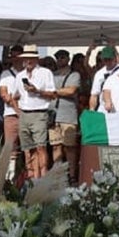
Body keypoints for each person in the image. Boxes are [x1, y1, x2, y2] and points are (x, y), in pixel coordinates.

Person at [14, 45, 57, 180]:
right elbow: (14, 96)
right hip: (24, 114)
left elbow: (53, 94)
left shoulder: (45, 73)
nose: (28, 60)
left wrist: (37, 91)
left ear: (37, 59)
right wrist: (18, 112)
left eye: (31, 58)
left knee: (41, 147)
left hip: (39, 113)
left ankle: (43, 178)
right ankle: (33, 178)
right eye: (26, 58)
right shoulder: (20, 75)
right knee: (28, 149)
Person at [48, 49, 82, 184]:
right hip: (53, 115)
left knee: (70, 147)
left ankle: (72, 176)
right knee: (55, 146)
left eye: (62, 57)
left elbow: (71, 90)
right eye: (58, 58)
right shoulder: (51, 75)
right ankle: (58, 176)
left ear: (68, 58)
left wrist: (53, 91)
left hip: (68, 115)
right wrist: (57, 92)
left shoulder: (75, 74)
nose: (60, 59)